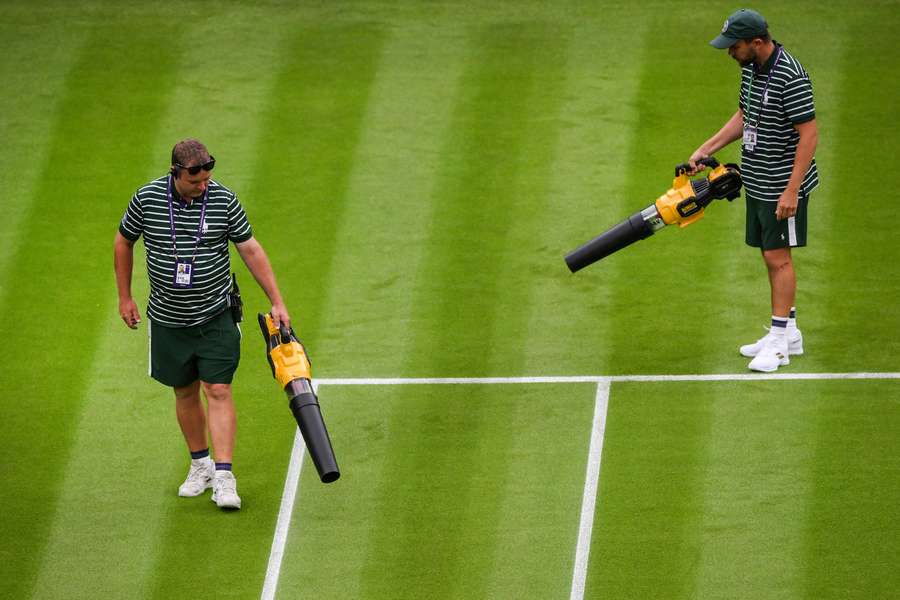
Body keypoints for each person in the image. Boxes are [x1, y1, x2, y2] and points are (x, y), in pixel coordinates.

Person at [114, 139, 290, 509]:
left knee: (218, 389)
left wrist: (277, 300)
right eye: (196, 182)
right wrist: (125, 296)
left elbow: (250, 249)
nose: (204, 186)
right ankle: (201, 466)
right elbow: (123, 241)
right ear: (176, 173)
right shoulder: (146, 199)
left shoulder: (224, 200)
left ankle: (225, 476)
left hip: (215, 317)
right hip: (167, 320)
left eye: (208, 178)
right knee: (183, 391)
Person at [688, 8, 818, 372]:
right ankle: (787, 330)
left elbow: (809, 135)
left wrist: (791, 191)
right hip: (758, 180)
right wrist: (707, 148)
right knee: (768, 255)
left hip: (781, 185)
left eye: (735, 46)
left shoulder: (790, 77)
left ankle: (779, 345)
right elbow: (745, 115)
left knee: (780, 259)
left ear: (757, 43)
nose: (730, 52)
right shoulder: (751, 69)